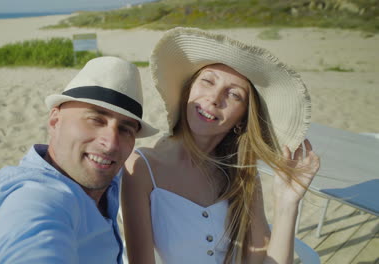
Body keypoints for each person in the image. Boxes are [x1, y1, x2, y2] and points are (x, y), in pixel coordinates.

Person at [121, 28, 320, 264]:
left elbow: (263, 259)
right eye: (207, 81)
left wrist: (288, 203)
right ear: (188, 91)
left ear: (243, 118)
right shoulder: (141, 168)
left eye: (234, 95)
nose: (214, 98)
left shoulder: (242, 172)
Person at [0, 56, 158, 264]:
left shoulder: (106, 182)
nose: (111, 143)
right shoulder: (35, 197)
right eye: (96, 119)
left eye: (125, 129)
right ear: (54, 121)